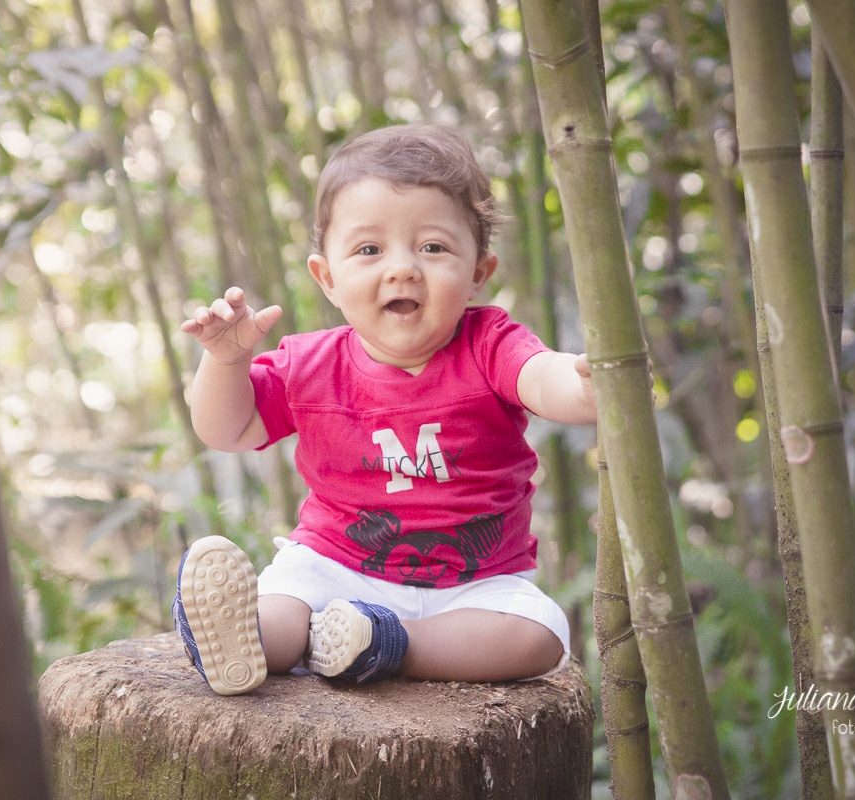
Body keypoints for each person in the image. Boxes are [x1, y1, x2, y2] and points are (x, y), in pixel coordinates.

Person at [171, 123, 597, 696]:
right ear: (327, 277)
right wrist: (225, 363)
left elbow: (543, 379)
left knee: (541, 633)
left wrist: (588, 383)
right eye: (369, 250)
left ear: (478, 272)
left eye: (433, 247)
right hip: (333, 564)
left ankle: (384, 644)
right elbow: (228, 429)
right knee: (280, 614)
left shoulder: (490, 343)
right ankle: (225, 634)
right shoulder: (311, 364)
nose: (403, 268)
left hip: (474, 586)